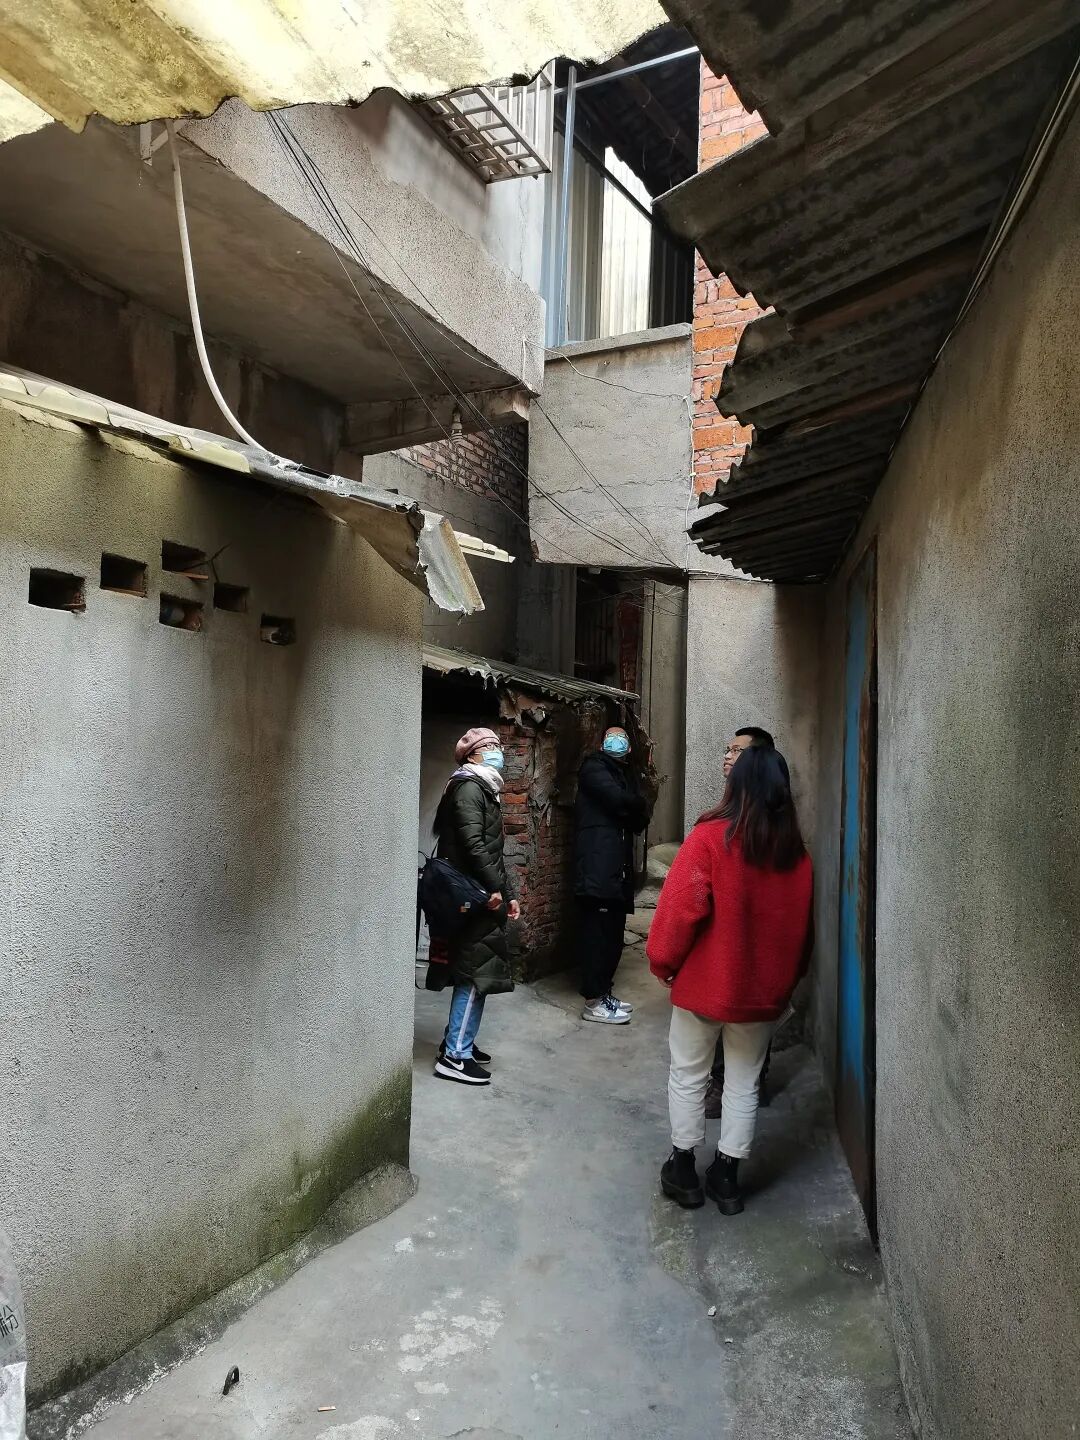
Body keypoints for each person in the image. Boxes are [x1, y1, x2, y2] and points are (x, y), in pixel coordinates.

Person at [649, 745, 813, 1214]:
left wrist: (663, 963)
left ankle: (683, 1171)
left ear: (736, 785)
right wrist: (785, 983)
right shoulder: (796, 857)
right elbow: (803, 933)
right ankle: (726, 1179)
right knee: (744, 1083)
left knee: (688, 1075)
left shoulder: (709, 838)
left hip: (705, 987)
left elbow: (678, 913)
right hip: (762, 995)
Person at [430, 726, 520, 1086]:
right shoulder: (469, 787)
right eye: (491, 746)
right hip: (474, 894)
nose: (498, 750)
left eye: (498, 744)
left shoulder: (483, 787)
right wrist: (495, 889)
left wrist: (508, 893)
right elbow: (473, 845)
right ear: (472, 755)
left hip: (481, 891)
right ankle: (455, 1056)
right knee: (475, 974)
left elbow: (491, 851)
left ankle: (457, 1041)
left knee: (475, 969)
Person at [706, 725, 782, 1115]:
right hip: (730, 939)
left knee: (743, 1015)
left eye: (737, 751)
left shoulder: (769, 821)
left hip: (755, 939)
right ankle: (738, 1082)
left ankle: (739, 1084)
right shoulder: (729, 812)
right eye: (727, 749)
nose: (727, 756)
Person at [574, 725, 650, 1025]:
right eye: (611, 735)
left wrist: (631, 805)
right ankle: (593, 1001)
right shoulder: (594, 768)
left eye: (621, 737)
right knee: (597, 935)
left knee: (613, 935)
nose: (616, 740)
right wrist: (632, 804)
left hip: (617, 871)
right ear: (603, 744)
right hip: (597, 868)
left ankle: (604, 992)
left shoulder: (624, 774)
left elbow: (640, 818)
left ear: (628, 748)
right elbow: (620, 800)